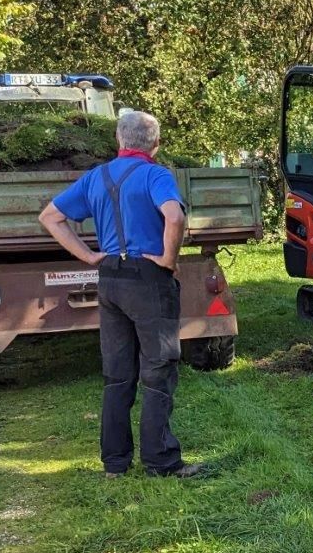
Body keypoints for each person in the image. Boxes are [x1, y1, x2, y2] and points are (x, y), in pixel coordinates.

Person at [37, 110, 203, 479]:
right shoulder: (156, 175)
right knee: (158, 370)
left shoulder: (97, 176)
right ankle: (160, 461)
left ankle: (115, 463)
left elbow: (50, 216)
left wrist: (89, 255)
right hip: (148, 277)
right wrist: (167, 259)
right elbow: (174, 218)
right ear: (155, 144)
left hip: (110, 277)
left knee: (117, 374)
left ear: (119, 140)